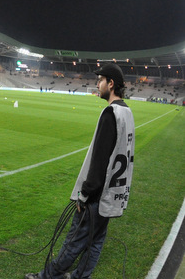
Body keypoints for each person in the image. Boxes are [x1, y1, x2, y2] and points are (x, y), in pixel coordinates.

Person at [25, 63, 135, 279]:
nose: (97, 84)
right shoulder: (127, 112)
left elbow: (100, 160)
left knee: (74, 241)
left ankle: (48, 277)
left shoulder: (110, 113)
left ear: (110, 84)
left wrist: (85, 193)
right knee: (96, 242)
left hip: (96, 196)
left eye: (100, 80)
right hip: (112, 194)